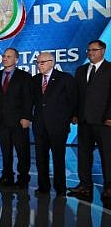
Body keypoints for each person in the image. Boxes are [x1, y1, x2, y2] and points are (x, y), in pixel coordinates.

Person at [69, 39, 111, 200]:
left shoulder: (109, 68)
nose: (90, 53)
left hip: (104, 121)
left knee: (107, 155)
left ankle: (109, 187)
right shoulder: (81, 70)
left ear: (103, 50)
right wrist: (74, 114)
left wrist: (109, 116)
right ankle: (84, 185)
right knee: (84, 154)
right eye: (88, 50)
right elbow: (76, 95)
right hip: (84, 120)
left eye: (94, 50)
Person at [31, 52, 77, 196]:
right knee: (41, 159)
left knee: (58, 158)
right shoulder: (35, 80)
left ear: (51, 62)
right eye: (38, 63)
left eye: (42, 62)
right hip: (39, 126)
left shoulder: (65, 78)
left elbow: (73, 101)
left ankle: (60, 188)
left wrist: (67, 119)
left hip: (58, 126)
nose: (39, 65)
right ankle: (43, 187)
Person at [0, 48, 33, 190]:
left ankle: (23, 178)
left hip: (19, 120)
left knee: (22, 151)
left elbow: (28, 99)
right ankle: (7, 176)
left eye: (9, 56)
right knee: (5, 151)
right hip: (2, 120)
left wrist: (27, 117)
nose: (5, 58)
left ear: (16, 59)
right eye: (4, 56)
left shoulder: (25, 76)